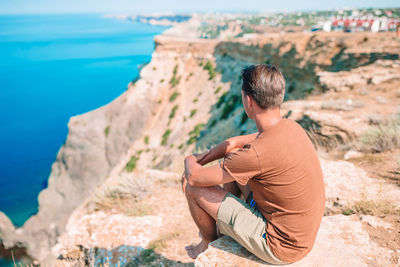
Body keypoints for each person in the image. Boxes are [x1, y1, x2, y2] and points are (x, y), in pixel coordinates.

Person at [181, 64, 325, 264]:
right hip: (298, 234)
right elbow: (234, 143)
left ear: (248, 100)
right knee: (233, 154)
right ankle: (224, 227)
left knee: (192, 188)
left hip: (279, 245)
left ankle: (209, 242)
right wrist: (205, 158)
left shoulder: (257, 153)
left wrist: (190, 159)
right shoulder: (290, 126)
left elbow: (195, 178)